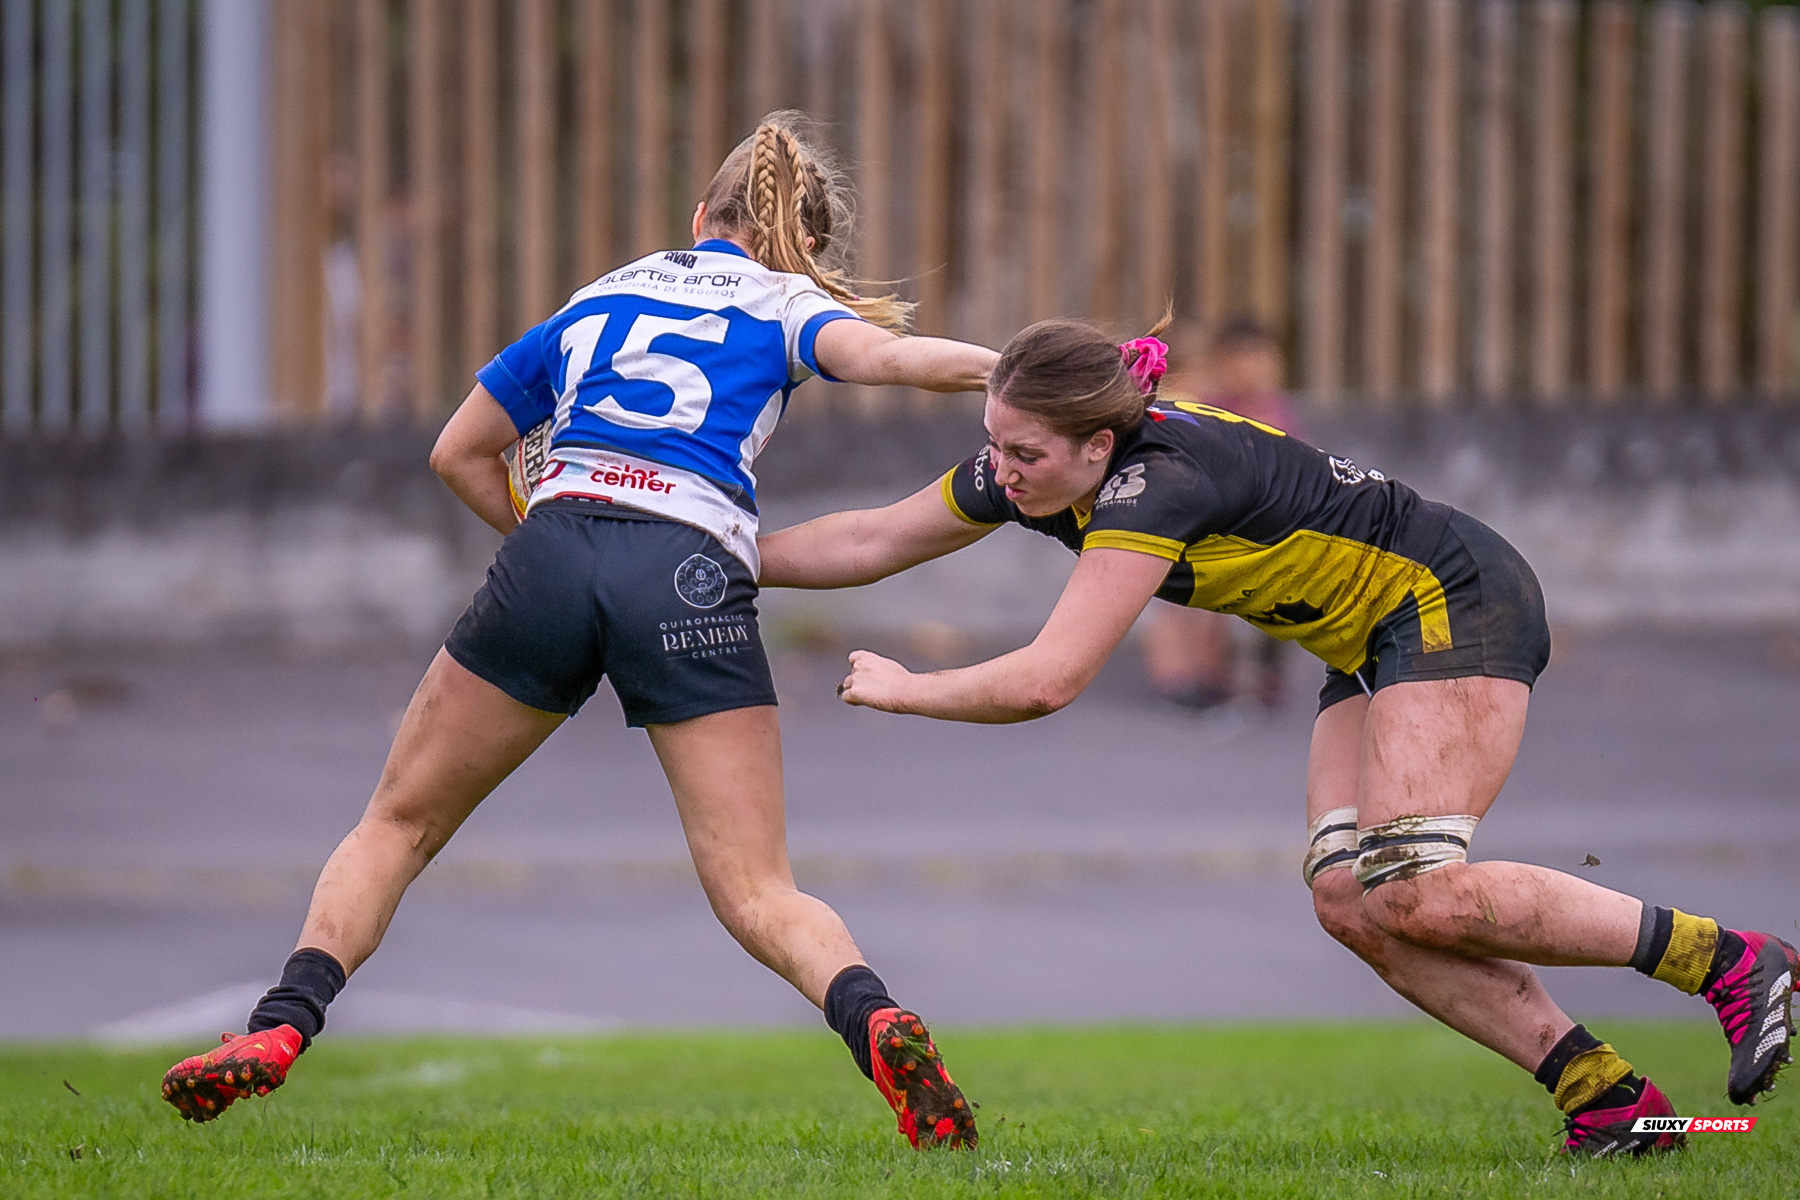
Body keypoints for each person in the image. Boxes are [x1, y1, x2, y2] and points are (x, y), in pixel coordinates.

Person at [756, 315, 1796, 1157]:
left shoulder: (1155, 484)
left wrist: (909, 689)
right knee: (1350, 899)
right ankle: (1605, 1096)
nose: (1002, 470)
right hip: (1369, 640)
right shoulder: (1041, 465)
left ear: (1098, 446)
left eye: (1023, 453)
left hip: (1450, 598)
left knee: (1415, 887)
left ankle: (1734, 961)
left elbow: (1049, 680)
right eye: (994, 443)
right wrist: (720, 547)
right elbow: (873, 536)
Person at [159, 115, 993, 1151]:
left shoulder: (600, 296)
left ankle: (281, 1024)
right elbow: (889, 360)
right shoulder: (788, 303)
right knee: (757, 890)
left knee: (397, 825)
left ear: (701, 213)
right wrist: (1009, 372)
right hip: (687, 568)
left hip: (552, 549)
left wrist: (552, 551)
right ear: (805, 246)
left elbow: (457, 453)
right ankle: (877, 1021)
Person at [1141, 316, 1300, 711]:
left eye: (1259, 358)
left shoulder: (1274, 412)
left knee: (1244, 603)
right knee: (1179, 597)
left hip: (1258, 526)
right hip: (1202, 520)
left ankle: (1232, 673)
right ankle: (1182, 676)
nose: (1250, 368)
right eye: (1239, 358)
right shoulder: (1207, 406)